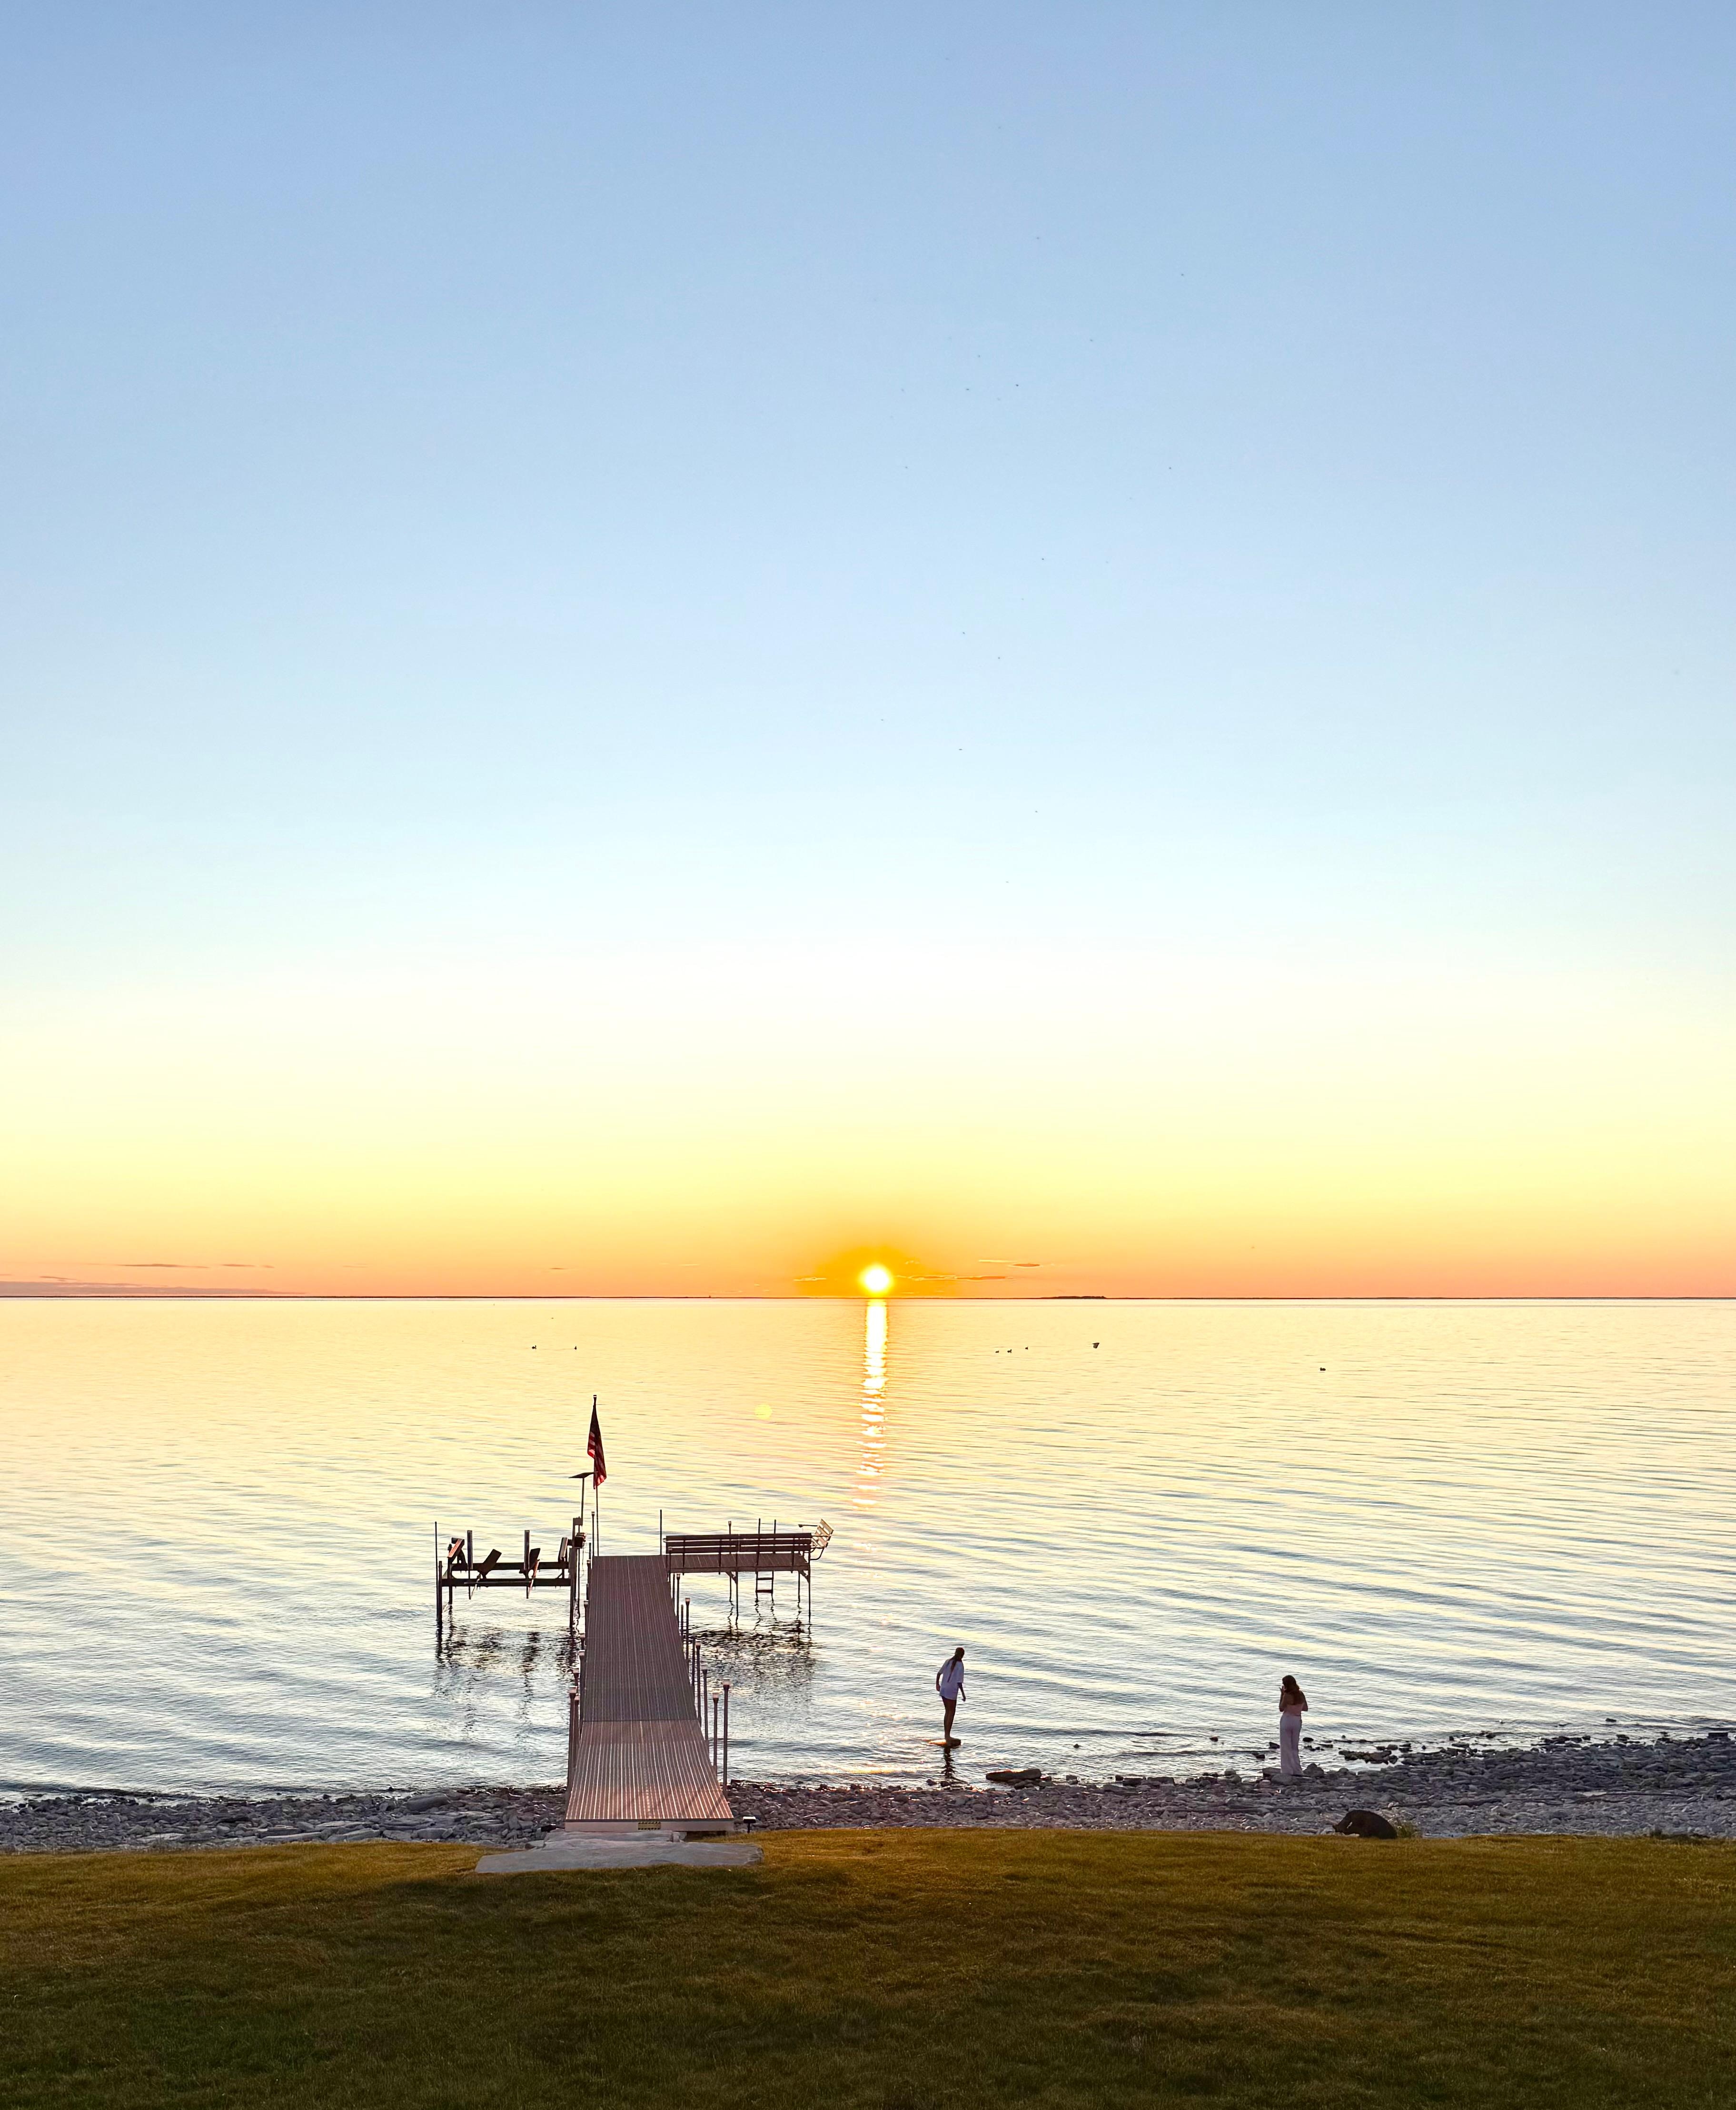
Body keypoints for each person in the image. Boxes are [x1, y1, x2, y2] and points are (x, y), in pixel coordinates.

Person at [1278, 1674, 1308, 1777]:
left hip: (1287, 1720)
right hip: (1297, 1720)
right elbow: (1305, 1709)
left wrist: (1282, 1695)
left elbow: (1281, 1708)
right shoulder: (1301, 1695)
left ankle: (1287, 1770)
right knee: (1294, 1746)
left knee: (1286, 1746)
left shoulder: (1287, 1696)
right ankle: (1297, 1770)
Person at [936, 1646, 967, 1743]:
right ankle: (948, 1736)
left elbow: (939, 1673)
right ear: (962, 1656)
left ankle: (946, 1735)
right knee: (952, 1712)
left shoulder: (948, 1661)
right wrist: (963, 1694)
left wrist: (937, 1684)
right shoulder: (960, 1665)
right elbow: (959, 1682)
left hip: (944, 1689)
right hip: (952, 1691)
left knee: (947, 1711)